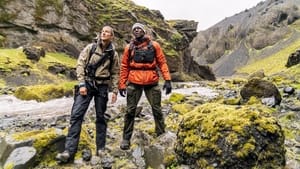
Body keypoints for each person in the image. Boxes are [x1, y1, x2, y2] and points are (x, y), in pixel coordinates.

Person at [56, 26, 120, 163]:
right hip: (87, 84)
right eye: (102, 31)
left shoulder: (113, 54)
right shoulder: (90, 48)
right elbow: (80, 64)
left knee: (101, 117)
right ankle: (69, 151)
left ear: (112, 36)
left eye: (107, 32)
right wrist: (82, 84)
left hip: (102, 87)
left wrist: (115, 91)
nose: (104, 33)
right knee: (76, 115)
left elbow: (115, 73)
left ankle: (101, 149)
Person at [118, 23, 172, 150]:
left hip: (152, 83)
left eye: (139, 28)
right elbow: (124, 66)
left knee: (157, 109)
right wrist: (122, 84)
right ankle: (126, 138)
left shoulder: (155, 46)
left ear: (144, 31)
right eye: (134, 29)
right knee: (130, 111)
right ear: (133, 33)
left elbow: (162, 62)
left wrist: (168, 80)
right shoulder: (129, 47)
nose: (136, 30)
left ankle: (161, 133)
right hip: (133, 82)